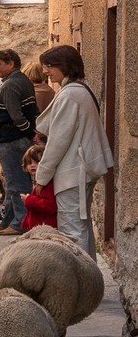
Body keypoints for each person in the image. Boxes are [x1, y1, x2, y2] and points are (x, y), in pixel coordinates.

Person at [32, 44, 113, 256]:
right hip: (79, 169)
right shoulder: (78, 90)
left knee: (72, 231)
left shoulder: (70, 95)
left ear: (64, 66)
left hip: (73, 171)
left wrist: (42, 176)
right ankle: (88, 281)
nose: (46, 71)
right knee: (80, 229)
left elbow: (59, 141)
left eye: (49, 66)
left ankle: (80, 283)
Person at [0, 48, 39, 237]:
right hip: (12, 137)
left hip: (11, 139)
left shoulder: (11, 85)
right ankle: (8, 219)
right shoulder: (17, 81)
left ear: (11, 64)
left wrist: (28, 132)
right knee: (12, 181)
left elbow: (16, 115)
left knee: (16, 182)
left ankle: (20, 223)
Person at [20, 144, 56, 232]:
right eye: (29, 163)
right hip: (40, 226)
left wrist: (29, 200)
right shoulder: (38, 181)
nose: (33, 165)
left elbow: (49, 205)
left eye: (37, 162)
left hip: (45, 227)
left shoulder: (47, 183)